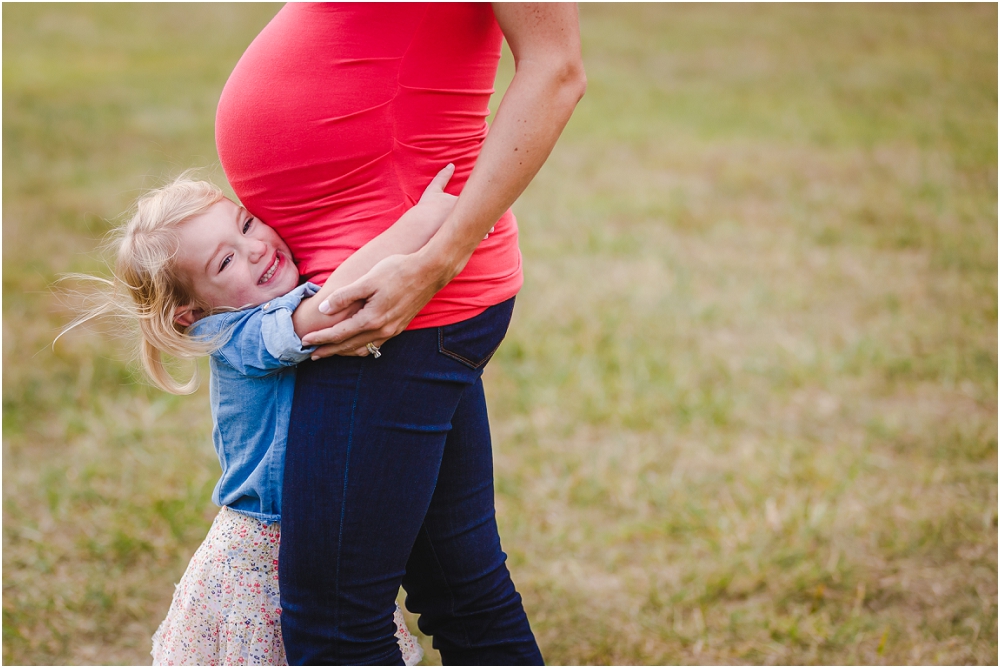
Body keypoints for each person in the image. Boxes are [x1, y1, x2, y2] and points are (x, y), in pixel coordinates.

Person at [215, 3, 585, 664]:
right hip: (376, 289)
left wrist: (436, 259)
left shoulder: (413, 282)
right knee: (461, 591)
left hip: (392, 299)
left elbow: (556, 69)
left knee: (335, 624)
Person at [62, 166, 462, 665]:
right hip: (263, 545)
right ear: (191, 311)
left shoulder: (259, 303)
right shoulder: (235, 337)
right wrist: (429, 221)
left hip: (303, 524)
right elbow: (335, 305)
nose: (253, 248)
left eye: (247, 224)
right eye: (225, 259)